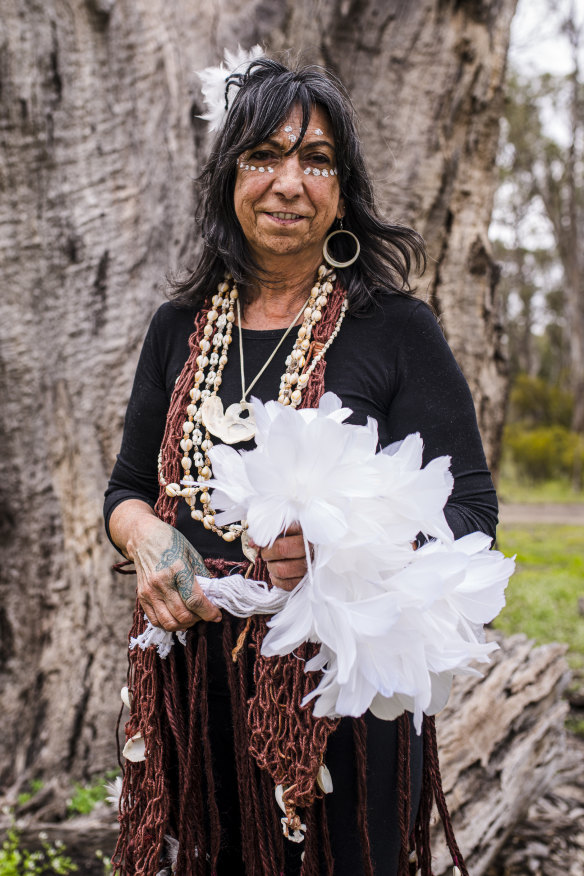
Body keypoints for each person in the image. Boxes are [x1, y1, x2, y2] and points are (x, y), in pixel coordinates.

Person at [104, 55, 497, 876]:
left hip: (338, 703)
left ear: (342, 191)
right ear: (228, 181)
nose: (289, 182)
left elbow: (471, 510)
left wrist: (340, 553)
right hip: (193, 696)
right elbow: (130, 490)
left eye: (315, 160)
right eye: (263, 156)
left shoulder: (395, 329)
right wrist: (148, 541)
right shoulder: (177, 328)